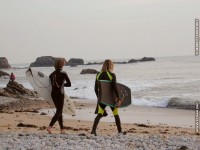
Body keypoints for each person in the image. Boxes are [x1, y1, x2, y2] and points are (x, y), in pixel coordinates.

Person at [91, 59, 122, 136]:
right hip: (111, 99)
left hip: (102, 98)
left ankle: (93, 130)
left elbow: (95, 88)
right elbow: (115, 88)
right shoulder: (112, 75)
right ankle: (120, 131)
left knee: (100, 114)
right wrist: (118, 98)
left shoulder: (98, 74)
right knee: (116, 114)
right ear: (110, 65)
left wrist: (99, 98)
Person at [47, 58, 71, 134]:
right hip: (60, 93)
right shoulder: (63, 73)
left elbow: (52, 85)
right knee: (59, 111)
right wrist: (62, 84)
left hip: (53, 94)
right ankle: (50, 126)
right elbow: (69, 84)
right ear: (62, 65)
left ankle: (62, 129)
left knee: (59, 111)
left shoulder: (51, 75)